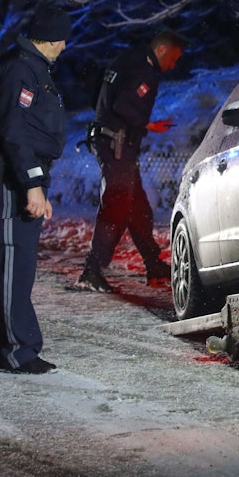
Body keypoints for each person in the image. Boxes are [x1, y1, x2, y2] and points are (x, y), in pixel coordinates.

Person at [0, 3, 71, 374]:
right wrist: (32, 184)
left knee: (9, 264)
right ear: (54, 38)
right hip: (11, 180)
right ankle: (20, 351)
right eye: (63, 39)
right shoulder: (20, 69)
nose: (64, 47)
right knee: (16, 264)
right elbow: (13, 131)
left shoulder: (31, 68)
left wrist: (38, 184)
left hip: (21, 177)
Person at [76, 30, 186, 292]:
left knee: (136, 206)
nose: (173, 65)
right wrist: (144, 123)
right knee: (116, 204)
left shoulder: (125, 60)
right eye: (172, 58)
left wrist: (144, 124)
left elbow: (104, 99)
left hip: (110, 140)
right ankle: (92, 269)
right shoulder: (143, 69)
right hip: (116, 144)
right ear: (161, 50)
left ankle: (153, 263)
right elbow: (124, 105)